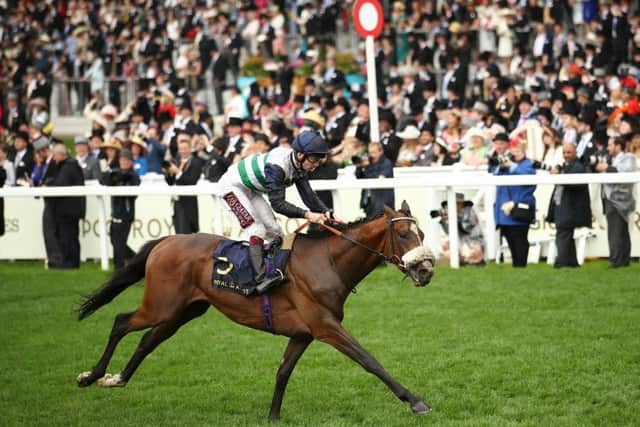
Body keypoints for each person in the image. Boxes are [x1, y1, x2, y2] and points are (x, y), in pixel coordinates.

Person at [218, 129, 341, 294]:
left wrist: (327, 212)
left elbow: (308, 196)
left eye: (319, 161)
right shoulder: (278, 166)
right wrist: (308, 215)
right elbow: (278, 204)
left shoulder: (299, 166)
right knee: (257, 230)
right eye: (313, 160)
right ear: (300, 155)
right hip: (231, 188)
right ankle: (260, 280)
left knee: (276, 232)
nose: (315, 165)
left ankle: (276, 271)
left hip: (250, 189)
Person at [546, 143, 592, 268]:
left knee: (563, 233)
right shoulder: (566, 166)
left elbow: (576, 184)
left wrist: (560, 175)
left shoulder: (578, 166)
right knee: (566, 233)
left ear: (575, 153)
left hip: (570, 207)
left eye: (569, 152)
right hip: (562, 204)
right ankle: (572, 263)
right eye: (564, 153)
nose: (566, 155)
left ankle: (561, 262)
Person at [595, 137, 637, 268]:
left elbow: (624, 172)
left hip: (619, 199)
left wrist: (606, 167)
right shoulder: (611, 159)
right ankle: (623, 260)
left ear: (619, 146)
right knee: (618, 231)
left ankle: (616, 261)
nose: (608, 148)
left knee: (616, 231)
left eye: (610, 145)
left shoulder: (628, 157)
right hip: (611, 198)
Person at [493, 139, 536, 267]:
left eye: (518, 151)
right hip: (504, 212)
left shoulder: (528, 164)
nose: (515, 153)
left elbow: (528, 177)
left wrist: (512, 166)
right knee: (510, 238)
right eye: (513, 151)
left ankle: (521, 265)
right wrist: (502, 166)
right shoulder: (507, 164)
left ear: (523, 151)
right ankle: (516, 266)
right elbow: (495, 175)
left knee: (520, 239)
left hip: (519, 209)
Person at [100, 149, 141, 269]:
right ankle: (136, 260)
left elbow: (133, 193)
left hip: (126, 215)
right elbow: (103, 180)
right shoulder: (115, 172)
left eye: (126, 160)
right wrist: (110, 174)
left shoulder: (134, 176)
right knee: (115, 242)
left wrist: (122, 180)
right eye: (122, 159)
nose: (123, 162)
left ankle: (119, 268)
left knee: (119, 244)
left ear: (131, 162)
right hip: (115, 214)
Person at [48, 144, 86, 268]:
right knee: (69, 237)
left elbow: (60, 184)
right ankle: (70, 262)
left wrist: (48, 185)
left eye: (55, 155)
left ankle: (70, 263)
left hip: (68, 210)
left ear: (61, 155)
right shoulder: (69, 165)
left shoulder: (68, 167)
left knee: (68, 237)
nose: (53, 158)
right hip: (70, 209)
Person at [164, 134, 205, 234]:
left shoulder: (196, 162)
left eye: (185, 148)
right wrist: (168, 173)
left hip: (188, 204)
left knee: (187, 234)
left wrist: (177, 171)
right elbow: (170, 183)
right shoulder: (176, 161)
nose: (182, 151)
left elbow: (192, 180)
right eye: (180, 149)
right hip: (176, 202)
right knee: (178, 232)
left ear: (190, 149)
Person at [433, 193, 485, 266]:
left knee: (470, 251)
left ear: (462, 203)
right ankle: (463, 260)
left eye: (457, 203)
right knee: (444, 246)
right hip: (460, 241)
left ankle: (469, 260)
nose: (454, 206)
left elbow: (465, 229)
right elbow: (448, 232)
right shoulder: (452, 213)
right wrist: (443, 221)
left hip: (473, 241)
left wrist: (454, 218)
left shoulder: (470, 211)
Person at [355, 141, 395, 217]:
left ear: (381, 152)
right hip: (369, 202)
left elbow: (380, 179)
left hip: (383, 203)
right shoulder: (368, 163)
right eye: (370, 153)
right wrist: (359, 167)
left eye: (374, 152)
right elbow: (359, 177)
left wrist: (368, 169)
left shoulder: (386, 163)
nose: (371, 155)